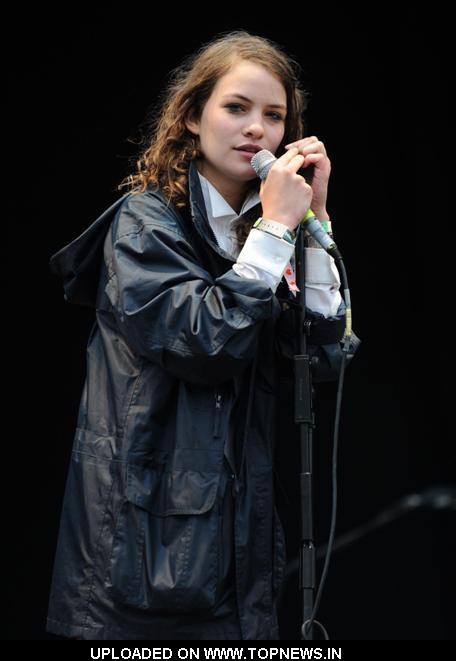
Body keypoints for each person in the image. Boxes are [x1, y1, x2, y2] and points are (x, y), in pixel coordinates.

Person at [46, 30, 360, 641]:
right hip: (140, 559)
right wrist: (275, 229)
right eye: (236, 108)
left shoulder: (267, 234)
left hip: (240, 559)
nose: (257, 130)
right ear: (192, 117)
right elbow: (204, 341)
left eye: (275, 116)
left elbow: (321, 357)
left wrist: (315, 223)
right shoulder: (143, 224)